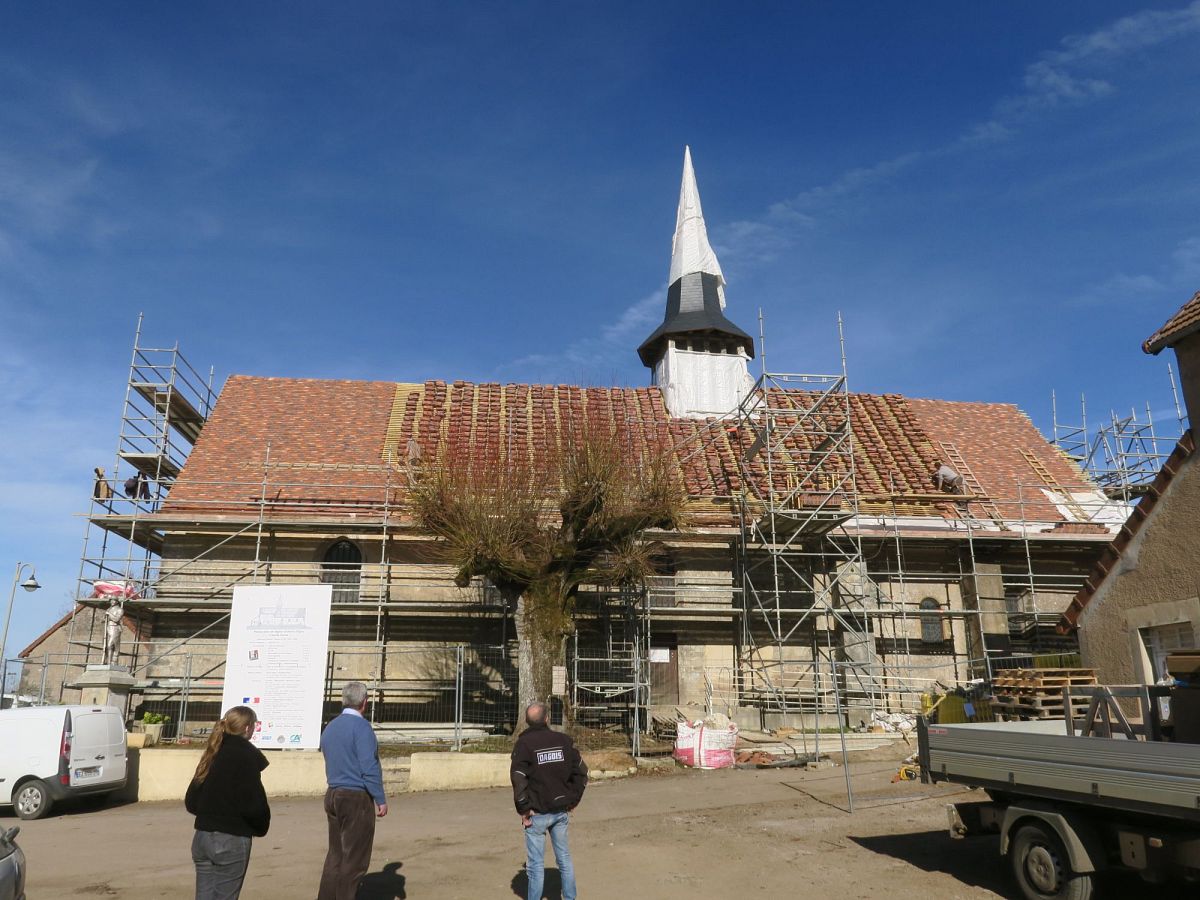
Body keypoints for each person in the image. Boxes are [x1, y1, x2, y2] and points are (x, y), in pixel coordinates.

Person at [184, 706, 271, 900]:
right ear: (248, 728)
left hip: (202, 838)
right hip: (231, 838)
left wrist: (211, 813)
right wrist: (259, 825)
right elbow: (253, 804)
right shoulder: (245, 756)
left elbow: (191, 801)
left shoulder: (212, 752)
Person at [510, 702, 588, 900]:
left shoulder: (524, 745)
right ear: (547, 718)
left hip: (536, 814)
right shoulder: (563, 740)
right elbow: (581, 771)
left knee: (535, 865)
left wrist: (523, 809)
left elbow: (518, 778)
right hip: (560, 810)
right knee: (564, 858)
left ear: (527, 722)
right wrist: (573, 799)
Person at [319, 682, 387, 900]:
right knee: (355, 859)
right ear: (365, 702)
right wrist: (380, 798)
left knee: (335, 855)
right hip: (355, 797)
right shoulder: (362, 728)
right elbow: (369, 766)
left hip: (333, 793)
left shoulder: (331, 726)